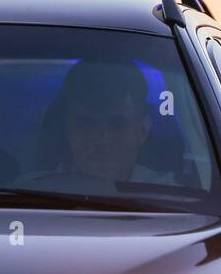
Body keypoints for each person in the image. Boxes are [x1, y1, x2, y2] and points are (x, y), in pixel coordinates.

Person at [14, 59, 178, 190]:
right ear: (67, 129)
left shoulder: (176, 199)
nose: (102, 139)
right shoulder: (28, 194)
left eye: (117, 124)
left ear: (142, 130)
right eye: (85, 124)